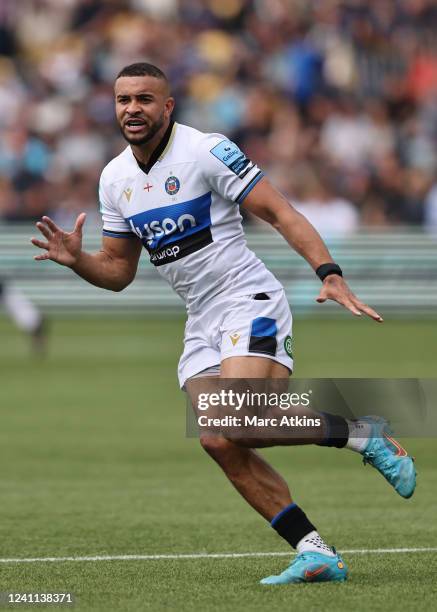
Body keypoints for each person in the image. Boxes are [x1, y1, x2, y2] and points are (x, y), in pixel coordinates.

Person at [31, 63, 416, 585]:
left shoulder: (206, 150)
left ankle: (364, 434)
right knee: (219, 439)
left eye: (145, 99)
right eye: (123, 100)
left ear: (168, 107)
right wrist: (78, 260)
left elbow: (280, 212)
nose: (132, 109)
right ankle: (313, 550)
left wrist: (328, 272)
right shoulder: (114, 178)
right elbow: (119, 271)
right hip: (201, 320)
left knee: (239, 419)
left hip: (247, 300)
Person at [0, 279, 47, 354]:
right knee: (34, 329)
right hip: (24, 312)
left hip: (24, 312)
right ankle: (38, 346)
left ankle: (38, 346)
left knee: (34, 329)